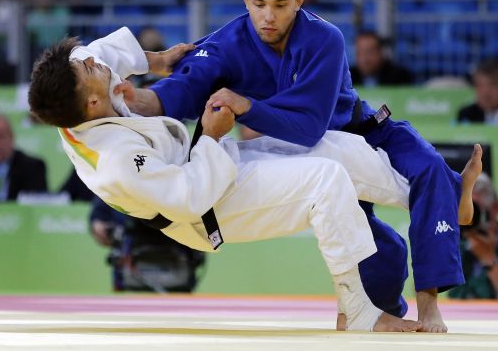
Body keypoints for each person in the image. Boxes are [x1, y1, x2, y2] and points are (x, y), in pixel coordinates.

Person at [117, 0, 482, 332]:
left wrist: (246, 106)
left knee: (429, 166)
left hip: (364, 129)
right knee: (384, 249)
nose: (268, 16)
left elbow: (309, 126)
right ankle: (373, 309)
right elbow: (180, 90)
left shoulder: (325, 38)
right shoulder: (227, 43)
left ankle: (429, 306)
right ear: (246, 0)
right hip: (306, 152)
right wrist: (134, 99)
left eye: (280, 5)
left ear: (299, 1)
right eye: (259, 5)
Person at [28, 27, 427, 332]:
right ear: (92, 103)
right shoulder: (113, 162)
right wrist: (213, 134)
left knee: (335, 148)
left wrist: (159, 60)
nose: (93, 62)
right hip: (205, 212)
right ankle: (357, 311)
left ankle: (431, 197)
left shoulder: (79, 82)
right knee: (325, 179)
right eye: (88, 68)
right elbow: (189, 198)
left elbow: (100, 52)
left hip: (201, 157)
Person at [89, 196, 206, 293]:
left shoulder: (182, 181)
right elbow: (98, 226)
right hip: (129, 275)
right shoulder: (117, 183)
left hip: (179, 272)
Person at [349, 31, 415, 88]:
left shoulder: (400, 77)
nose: (365, 59)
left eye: (369, 52)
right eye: (360, 52)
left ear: (381, 52)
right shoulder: (347, 78)